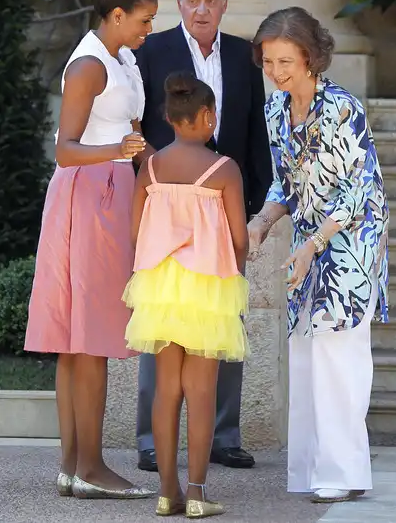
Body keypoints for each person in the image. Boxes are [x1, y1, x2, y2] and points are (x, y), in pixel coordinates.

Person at [24, 0, 158, 499]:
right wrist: (118, 152)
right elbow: (64, 149)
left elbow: (133, 135)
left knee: (80, 339)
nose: (149, 29)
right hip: (88, 196)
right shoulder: (87, 64)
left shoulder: (123, 59)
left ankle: (73, 468)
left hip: (109, 192)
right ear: (117, 15)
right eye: (144, 19)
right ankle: (89, 468)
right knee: (87, 338)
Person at [132, 0, 272, 473]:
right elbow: (134, 123)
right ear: (180, 4)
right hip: (168, 211)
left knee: (224, 321)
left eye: (211, 1)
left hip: (223, 209)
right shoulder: (151, 52)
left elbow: (255, 130)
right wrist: (156, 173)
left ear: (225, 5)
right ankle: (153, 441)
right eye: (193, 0)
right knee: (162, 325)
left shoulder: (242, 55)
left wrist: (253, 203)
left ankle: (222, 436)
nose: (202, 10)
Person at [247, 7, 389, 503]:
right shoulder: (275, 110)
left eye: (285, 61)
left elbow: (357, 189)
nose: (276, 71)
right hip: (308, 241)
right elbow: (284, 184)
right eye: (268, 61)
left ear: (310, 57)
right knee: (307, 353)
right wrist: (261, 222)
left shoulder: (343, 107)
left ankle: (343, 472)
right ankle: (315, 468)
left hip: (351, 241)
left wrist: (313, 244)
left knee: (338, 354)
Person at [123, 71, 250, 518]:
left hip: (160, 287)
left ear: (168, 118)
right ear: (208, 116)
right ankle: (196, 493)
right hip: (207, 287)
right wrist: (236, 274)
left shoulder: (152, 167)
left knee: (166, 391)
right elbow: (239, 239)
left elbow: (135, 232)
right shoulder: (224, 169)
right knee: (201, 391)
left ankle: (166, 492)